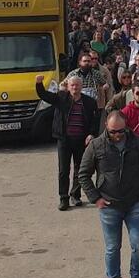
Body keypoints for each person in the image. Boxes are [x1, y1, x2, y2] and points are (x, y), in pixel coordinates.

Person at [77, 112, 139, 278]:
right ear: (106, 127)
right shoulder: (96, 145)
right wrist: (96, 199)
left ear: (126, 127)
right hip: (109, 205)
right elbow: (83, 174)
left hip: (135, 202)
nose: (117, 135)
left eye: (121, 131)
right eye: (112, 132)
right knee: (112, 248)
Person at [36, 74, 100, 211]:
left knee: (80, 169)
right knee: (63, 170)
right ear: (68, 87)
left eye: (77, 85)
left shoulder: (89, 102)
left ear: (81, 87)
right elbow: (44, 95)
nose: (75, 88)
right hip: (64, 140)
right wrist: (38, 83)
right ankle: (63, 198)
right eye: (72, 85)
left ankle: (75, 195)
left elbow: (95, 120)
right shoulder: (61, 98)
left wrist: (91, 134)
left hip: (81, 141)